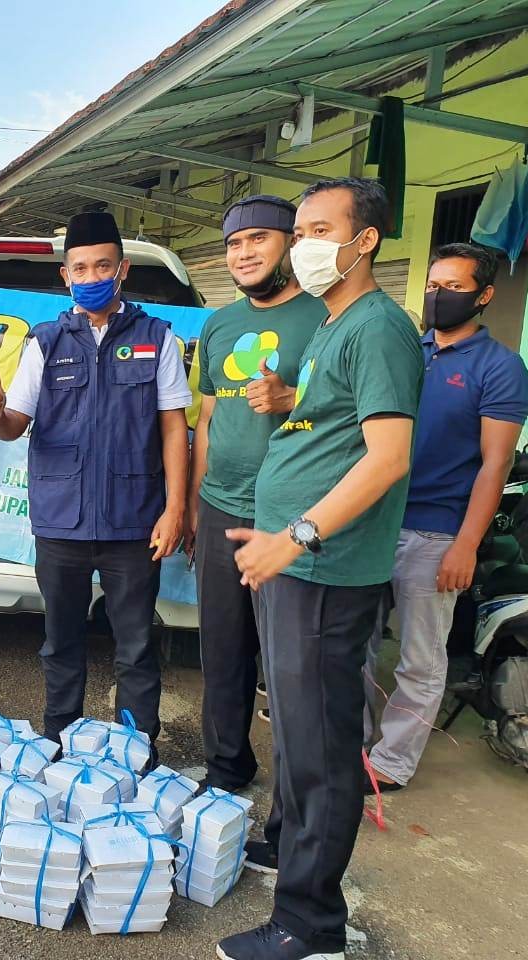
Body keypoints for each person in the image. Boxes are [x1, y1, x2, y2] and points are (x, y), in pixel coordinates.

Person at [219, 178, 423, 960]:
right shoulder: (339, 324)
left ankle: (310, 929)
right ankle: (293, 867)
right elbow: (332, 422)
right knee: (300, 741)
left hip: (326, 569)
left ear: (363, 239)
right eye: (298, 229)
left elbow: (387, 457)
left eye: (317, 229)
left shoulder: (378, 326)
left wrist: (294, 535)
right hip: (296, 566)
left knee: (322, 750)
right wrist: (283, 400)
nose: (301, 244)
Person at [0, 209, 192, 750]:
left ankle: (135, 751)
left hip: (134, 524)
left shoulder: (156, 338)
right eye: (81, 268)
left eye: (103, 266)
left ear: (121, 271)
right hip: (61, 522)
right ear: (66, 276)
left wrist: (175, 509)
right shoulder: (45, 343)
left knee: (137, 648)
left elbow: (173, 429)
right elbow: (14, 428)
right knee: (61, 643)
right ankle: (59, 744)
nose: (92, 277)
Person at [363, 243, 528, 793]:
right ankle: (354, 744)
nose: (438, 296)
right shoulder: (408, 352)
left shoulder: (499, 367)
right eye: (433, 285)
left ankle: (391, 763)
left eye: (454, 287)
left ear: (483, 296)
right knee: (355, 646)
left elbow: (495, 464)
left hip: (435, 532)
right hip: (373, 521)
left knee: (419, 657)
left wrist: (466, 545)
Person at [188, 195, 325, 793]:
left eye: (258, 240)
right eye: (234, 244)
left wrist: (294, 400)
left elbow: (358, 415)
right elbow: (206, 421)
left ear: (291, 245)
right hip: (221, 505)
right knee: (222, 650)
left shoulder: (326, 317)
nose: (243, 253)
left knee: (293, 664)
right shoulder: (217, 325)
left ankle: (301, 793)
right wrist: (195, 506)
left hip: (291, 514)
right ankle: (226, 766)